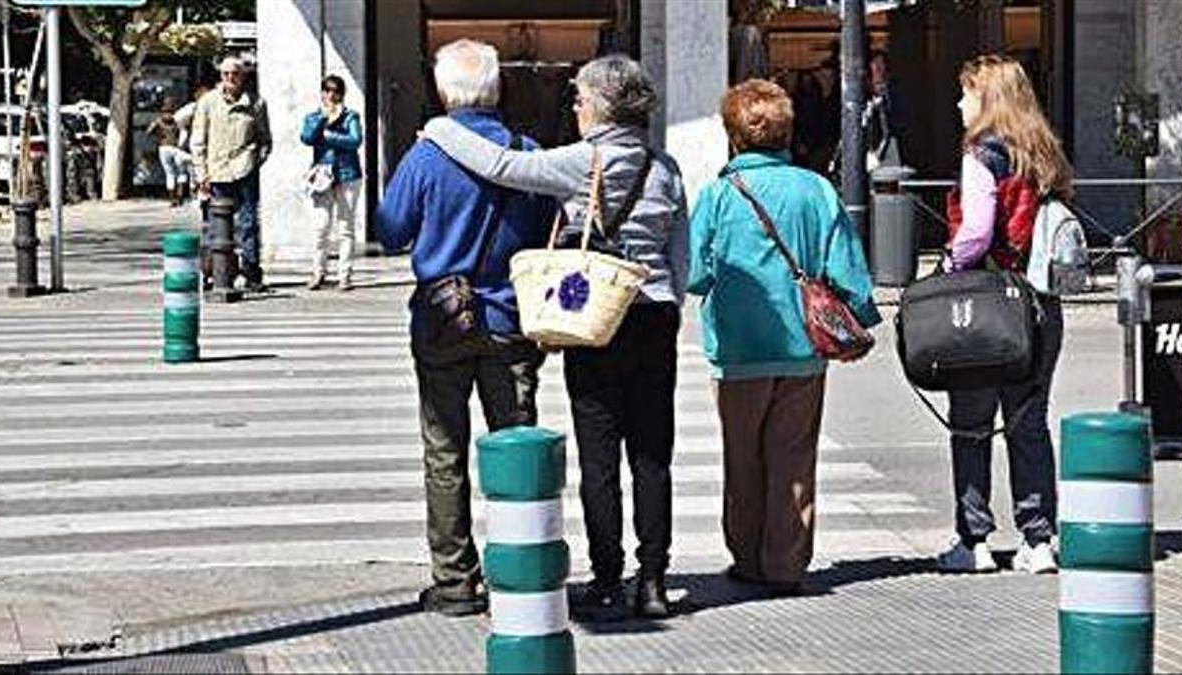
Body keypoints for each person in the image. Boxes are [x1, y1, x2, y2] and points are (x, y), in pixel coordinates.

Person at [422, 53, 689, 621]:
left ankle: (609, 577)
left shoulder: (581, 160)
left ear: (599, 107)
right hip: (654, 316)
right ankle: (655, 579)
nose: (575, 106)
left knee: (600, 454)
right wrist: (666, 298)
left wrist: (440, 125)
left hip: (596, 317)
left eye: (580, 99)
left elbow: (499, 164)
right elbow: (679, 255)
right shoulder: (666, 167)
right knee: (652, 453)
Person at [375, 39, 553, 618]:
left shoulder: (426, 158)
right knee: (514, 448)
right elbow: (547, 229)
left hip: (441, 319)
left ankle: (455, 582)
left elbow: (391, 230)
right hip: (510, 320)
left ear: (443, 90)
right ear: (496, 89)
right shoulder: (526, 152)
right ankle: (519, 568)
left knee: (444, 451)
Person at [687, 80, 880, 593]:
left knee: (742, 457)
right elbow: (846, 269)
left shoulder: (718, 194)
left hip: (738, 348)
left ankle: (747, 558)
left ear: (733, 135)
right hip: (803, 350)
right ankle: (786, 564)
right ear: (786, 132)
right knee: (794, 457)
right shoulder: (816, 189)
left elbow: (694, 276)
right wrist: (861, 321)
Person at [937, 54, 1074, 575]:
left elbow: (975, 231)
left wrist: (948, 266)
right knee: (1028, 420)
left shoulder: (981, 154)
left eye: (966, 92)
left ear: (987, 98)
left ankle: (973, 539)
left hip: (989, 303)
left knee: (971, 422)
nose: (959, 102)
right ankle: (1038, 539)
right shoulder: (1044, 154)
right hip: (1041, 303)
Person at [190, 56, 272, 293]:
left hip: (245, 171)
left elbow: (265, 140)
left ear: (242, 76)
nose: (230, 78)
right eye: (225, 74)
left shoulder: (256, 103)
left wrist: (255, 160)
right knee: (213, 227)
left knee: (248, 225)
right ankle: (212, 272)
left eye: (235, 74)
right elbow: (198, 141)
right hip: (216, 174)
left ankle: (252, 273)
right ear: (220, 76)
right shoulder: (208, 102)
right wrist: (201, 173)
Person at [300, 74, 363, 291]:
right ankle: (318, 272)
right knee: (320, 227)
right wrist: (322, 120)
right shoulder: (314, 116)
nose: (331, 95)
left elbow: (355, 140)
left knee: (346, 228)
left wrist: (327, 136)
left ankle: (344, 275)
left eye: (335, 91)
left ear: (342, 94)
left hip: (348, 175)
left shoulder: (350, 116)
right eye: (327, 90)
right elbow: (307, 137)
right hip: (322, 178)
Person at [147, 97, 188, 207]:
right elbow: (181, 133)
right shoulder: (175, 121)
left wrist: (158, 136)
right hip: (174, 148)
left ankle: (172, 198)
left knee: (170, 174)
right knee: (181, 172)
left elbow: (149, 132)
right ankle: (180, 197)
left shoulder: (159, 121)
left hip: (163, 148)